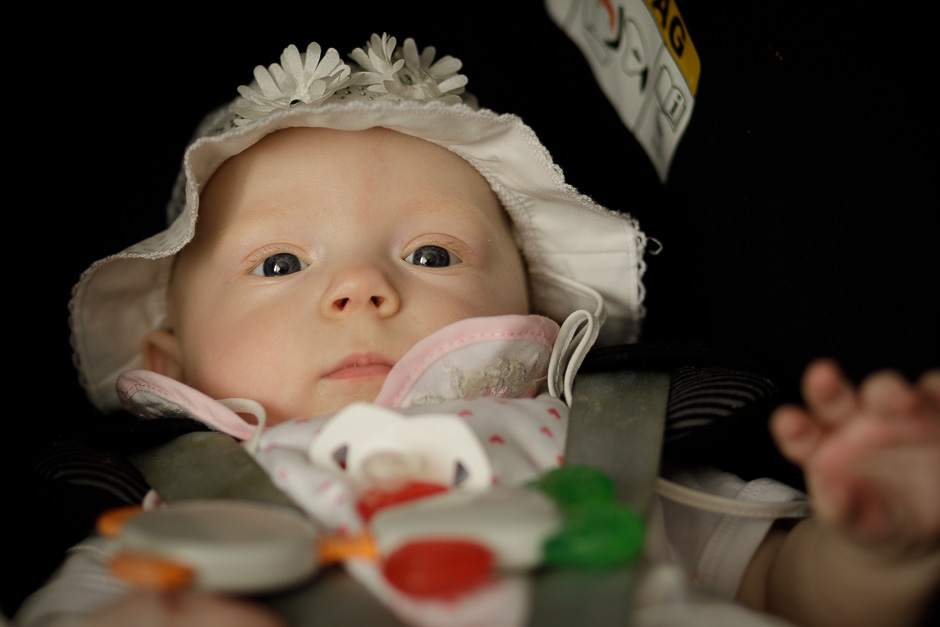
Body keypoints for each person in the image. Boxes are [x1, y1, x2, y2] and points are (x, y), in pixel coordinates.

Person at [16, 34, 939, 627]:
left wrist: (871, 548)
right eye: (280, 263)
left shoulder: (605, 450)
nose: (361, 288)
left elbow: (786, 592)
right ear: (168, 357)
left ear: (536, 309)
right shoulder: (169, 524)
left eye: (431, 253)